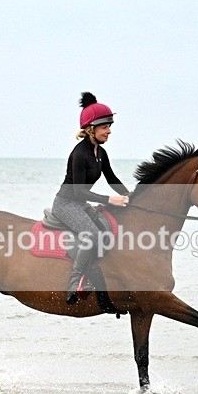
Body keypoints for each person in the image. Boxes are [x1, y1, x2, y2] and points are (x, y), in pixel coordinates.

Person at [52, 92, 130, 305]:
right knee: (93, 235)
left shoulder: (100, 153)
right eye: (105, 126)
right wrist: (109, 200)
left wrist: (130, 196)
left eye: (110, 125)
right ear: (90, 129)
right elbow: (78, 192)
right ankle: (74, 283)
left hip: (80, 203)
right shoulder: (79, 153)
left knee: (107, 232)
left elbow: (112, 178)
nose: (109, 130)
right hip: (66, 204)